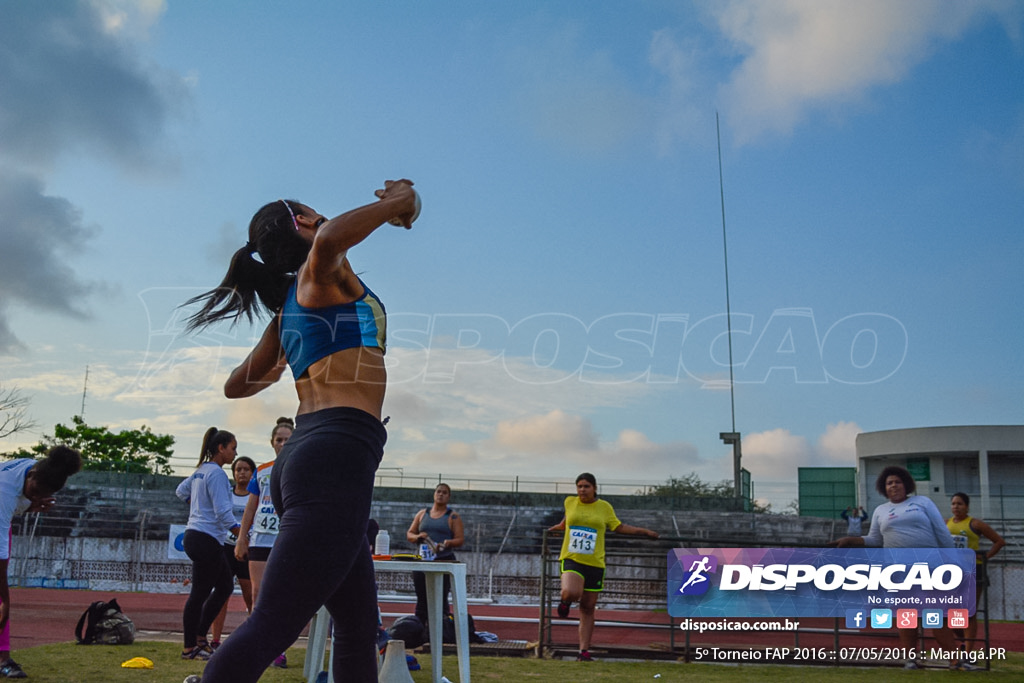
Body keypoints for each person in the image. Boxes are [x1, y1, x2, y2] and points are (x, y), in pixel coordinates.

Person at [182, 179, 417, 682]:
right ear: (306, 223)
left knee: (357, 626)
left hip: (310, 455)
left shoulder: (293, 304)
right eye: (318, 216)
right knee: (274, 622)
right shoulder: (318, 273)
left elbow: (235, 386)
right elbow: (332, 240)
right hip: (334, 453)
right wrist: (396, 203)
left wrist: (291, 347)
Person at [830, 466, 965, 669]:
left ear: (906, 485)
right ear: (884, 488)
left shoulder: (923, 503)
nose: (894, 485)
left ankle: (954, 659)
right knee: (907, 615)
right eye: (889, 483)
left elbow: (942, 534)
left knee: (935, 614)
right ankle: (911, 659)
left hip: (930, 567)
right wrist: (852, 539)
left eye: (898, 481)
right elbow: (875, 539)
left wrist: (954, 561)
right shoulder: (880, 511)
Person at [547, 472, 659, 662]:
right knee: (571, 591)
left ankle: (583, 651)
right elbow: (566, 521)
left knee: (588, 607)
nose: (582, 490)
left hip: (595, 562)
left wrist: (643, 532)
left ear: (595, 488)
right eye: (579, 486)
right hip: (572, 558)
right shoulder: (570, 502)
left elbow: (618, 527)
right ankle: (565, 602)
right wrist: (558, 527)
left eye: (586, 486)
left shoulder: (604, 507)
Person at [0, 446, 82, 679]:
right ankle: (3, 659)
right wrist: (6, 598)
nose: (36, 497)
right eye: (35, 492)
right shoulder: (5, 491)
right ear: (32, 475)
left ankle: (3, 658)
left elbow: (22, 500)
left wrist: (31, 505)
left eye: (41, 495)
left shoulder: (36, 470)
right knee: (1, 600)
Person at [175, 428, 241, 660]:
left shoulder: (200, 471)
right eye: (233, 448)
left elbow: (180, 492)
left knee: (224, 586)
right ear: (221, 448)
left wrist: (198, 507)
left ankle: (200, 638)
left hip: (195, 535)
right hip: (204, 538)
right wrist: (241, 535)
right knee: (200, 593)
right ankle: (189, 647)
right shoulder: (217, 474)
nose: (235, 453)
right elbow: (224, 513)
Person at [234, 417, 293, 668]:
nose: (282, 444)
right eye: (278, 440)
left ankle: (278, 647)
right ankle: (257, 646)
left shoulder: (300, 467)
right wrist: (241, 539)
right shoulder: (262, 470)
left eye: (287, 440)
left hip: (286, 540)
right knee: (257, 594)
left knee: (281, 595)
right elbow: (251, 506)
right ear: (272, 443)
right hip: (260, 539)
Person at [947, 491, 1005, 651]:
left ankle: (968, 650)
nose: (956, 507)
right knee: (952, 613)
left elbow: (999, 541)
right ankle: (965, 642)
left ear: (967, 506)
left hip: (973, 570)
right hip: (953, 572)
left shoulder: (975, 524)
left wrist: (984, 557)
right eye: (953, 504)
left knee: (969, 611)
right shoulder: (946, 523)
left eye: (959, 504)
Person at [208, 456, 256, 650]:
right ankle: (216, 639)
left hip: (248, 549)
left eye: (246, 469)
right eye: (238, 469)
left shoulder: (255, 497)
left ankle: (252, 638)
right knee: (221, 594)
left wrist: (245, 538)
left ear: (252, 473)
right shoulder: (227, 494)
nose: (241, 473)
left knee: (250, 595)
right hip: (227, 548)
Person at [405, 483, 464, 626]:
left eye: (444, 493)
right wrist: (418, 537)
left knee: (440, 596)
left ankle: (441, 625)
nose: (441, 495)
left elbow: (460, 539)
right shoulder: (422, 514)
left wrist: (448, 543)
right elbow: (409, 534)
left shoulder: (453, 517)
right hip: (423, 560)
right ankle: (420, 625)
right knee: (422, 595)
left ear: (449, 497)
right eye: (438, 492)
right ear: (434, 494)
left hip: (443, 560)